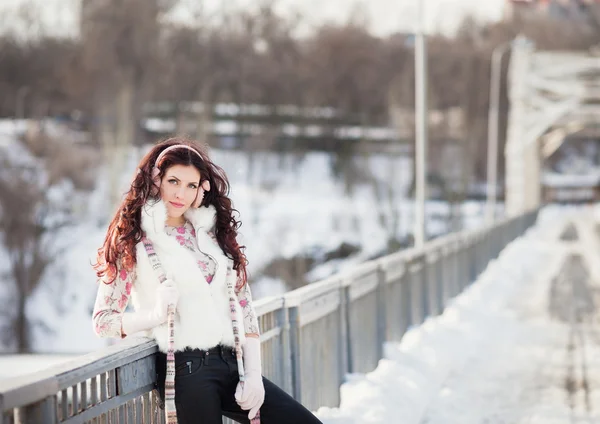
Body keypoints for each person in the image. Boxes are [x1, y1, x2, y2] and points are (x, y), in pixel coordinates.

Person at [92, 137, 323, 424]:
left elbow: (244, 306)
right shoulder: (133, 239)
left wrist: (252, 375)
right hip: (186, 369)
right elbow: (103, 321)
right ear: (155, 181)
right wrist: (153, 316)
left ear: (202, 189)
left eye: (191, 185)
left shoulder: (210, 233)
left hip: (231, 363)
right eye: (173, 181)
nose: (181, 194)